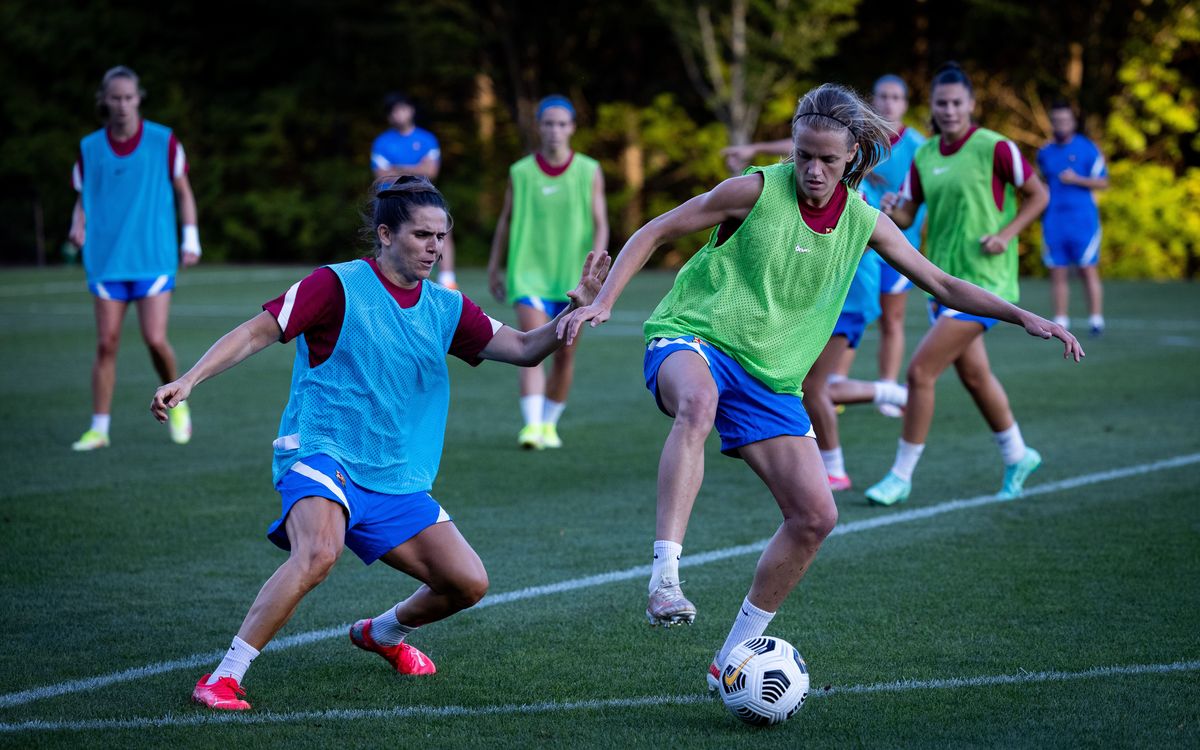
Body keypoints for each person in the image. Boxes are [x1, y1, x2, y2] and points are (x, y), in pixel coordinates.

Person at [558, 83, 1080, 690]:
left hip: (769, 375)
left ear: (853, 155)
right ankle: (664, 578)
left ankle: (731, 659)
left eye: (827, 159)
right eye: (803, 154)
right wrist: (605, 303)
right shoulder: (753, 190)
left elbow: (942, 283)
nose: (810, 168)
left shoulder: (865, 221)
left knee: (815, 517)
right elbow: (655, 230)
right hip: (692, 335)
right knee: (697, 405)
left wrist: (1023, 315)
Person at [152, 176, 610, 711]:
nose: (434, 248)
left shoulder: (447, 308)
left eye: (441, 236)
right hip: (322, 450)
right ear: (387, 234)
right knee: (319, 553)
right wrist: (190, 379)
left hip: (395, 474)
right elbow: (258, 331)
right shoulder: (334, 284)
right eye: (422, 235)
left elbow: (528, 348)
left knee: (467, 583)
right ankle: (224, 676)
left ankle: (383, 633)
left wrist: (572, 313)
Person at [864, 62, 1053, 507]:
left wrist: (1007, 235)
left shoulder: (996, 147)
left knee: (920, 371)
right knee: (973, 375)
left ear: (971, 104)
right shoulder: (925, 155)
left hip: (989, 282)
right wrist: (893, 207)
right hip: (944, 283)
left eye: (956, 103)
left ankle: (900, 475)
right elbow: (908, 215)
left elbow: (1039, 194)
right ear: (931, 107)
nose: (948, 110)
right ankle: (1018, 454)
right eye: (941, 103)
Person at [68, 65, 201, 452]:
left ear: (138, 98)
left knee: (154, 339)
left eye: (129, 97)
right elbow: (83, 197)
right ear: (104, 101)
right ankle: (99, 428)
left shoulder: (164, 142)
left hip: (153, 256)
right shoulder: (90, 147)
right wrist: (78, 224)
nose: (123, 105)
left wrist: (190, 238)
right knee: (106, 343)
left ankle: (177, 402)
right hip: (107, 259)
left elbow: (184, 192)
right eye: (115, 98)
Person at [487, 95, 609, 450]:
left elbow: (601, 221)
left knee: (565, 353)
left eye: (561, 123)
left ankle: (549, 426)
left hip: (573, 279)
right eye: (548, 123)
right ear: (538, 127)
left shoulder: (589, 170)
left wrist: (596, 270)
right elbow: (506, 221)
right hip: (528, 275)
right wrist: (495, 266)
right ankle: (532, 426)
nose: (555, 130)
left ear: (571, 128)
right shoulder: (520, 172)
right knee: (530, 343)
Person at [861, 75, 928, 416]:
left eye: (896, 97)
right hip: (857, 246)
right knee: (845, 317)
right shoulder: (858, 139)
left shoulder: (919, 145)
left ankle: (888, 389)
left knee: (892, 319)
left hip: (899, 245)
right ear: (872, 100)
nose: (889, 102)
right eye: (883, 96)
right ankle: (830, 383)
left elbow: (926, 194)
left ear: (905, 103)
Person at [371, 92, 457, 289]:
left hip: (421, 197)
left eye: (403, 109)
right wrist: (416, 168)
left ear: (411, 110)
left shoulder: (426, 139)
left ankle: (447, 279)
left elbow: (431, 171)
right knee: (387, 236)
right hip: (391, 199)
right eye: (394, 111)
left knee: (442, 230)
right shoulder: (382, 142)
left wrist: (397, 168)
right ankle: (384, 278)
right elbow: (382, 176)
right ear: (389, 116)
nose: (399, 114)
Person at [1037, 100, 1108, 335]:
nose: (1060, 125)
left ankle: (1096, 320)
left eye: (1065, 120)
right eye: (1056, 120)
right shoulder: (1044, 153)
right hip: (1054, 219)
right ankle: (1060, 320)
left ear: (1073, 121)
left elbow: (1103, 182)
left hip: (1083, 220)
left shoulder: (1088, 148)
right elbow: (1039, 184)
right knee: (1057, 270)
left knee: (1087, 268)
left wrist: (1077, 179)